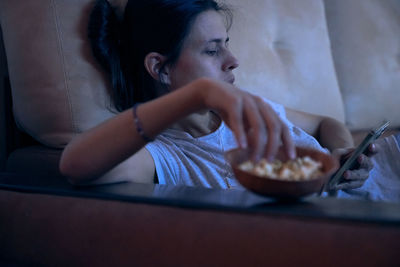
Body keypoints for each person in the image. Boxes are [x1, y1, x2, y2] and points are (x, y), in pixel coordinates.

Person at [59, 0, 376, 192]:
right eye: (212, 50)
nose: (233, 59)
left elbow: (325, 122)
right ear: (161, 68)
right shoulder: (166, 155)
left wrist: (345, 154)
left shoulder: (249, 109)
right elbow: (74, 166)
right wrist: (199, 93)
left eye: (225, 43)